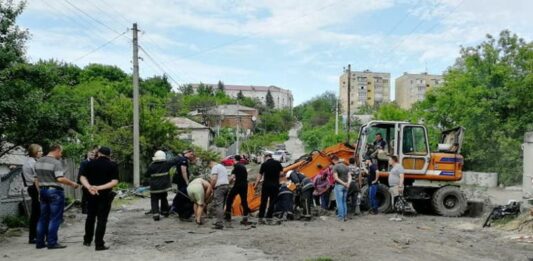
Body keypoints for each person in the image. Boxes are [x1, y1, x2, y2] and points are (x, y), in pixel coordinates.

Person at [34, 144, 80, 249]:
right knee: (55, 218)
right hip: (54, 192)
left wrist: (39, 192)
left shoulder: (39, 161)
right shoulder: (56, 162)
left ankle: (40, 243)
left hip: (43, 191)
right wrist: (73, 184)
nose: (61, 154)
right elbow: (60, 178)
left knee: (42, 218)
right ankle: (52, 242)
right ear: (57, 150)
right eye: (61, 152)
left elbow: (36, 179)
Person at [79, 147, 119, 251]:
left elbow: (82, 177)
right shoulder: (112, 165)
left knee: (90, 217)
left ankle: (87, 240)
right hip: (105, 195)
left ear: (99, 153)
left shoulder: (89, 163)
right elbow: (114, 182)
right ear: (109, 154)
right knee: (102, 219)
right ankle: (99, 244)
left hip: (91, 194)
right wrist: (99, 188)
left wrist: (90, 187)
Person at [21, 144, 43, 244]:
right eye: (40, 151)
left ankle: (34, 236)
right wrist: (39, 193)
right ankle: (33, 237)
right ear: (35, 152)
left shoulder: (28, 162)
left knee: (36, 213)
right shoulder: (33, 163)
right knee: (37, 213)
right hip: (34, 187)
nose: (42, 153)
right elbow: (36, 179)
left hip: (31, 187)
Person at [255, 153, 283, 224]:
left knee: (263, 201)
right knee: (272, 201)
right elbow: (282, 174)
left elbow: (259, 176)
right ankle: (269, 216)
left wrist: (256, 184)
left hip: (266, 185)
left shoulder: (264, 164)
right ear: (271, 157)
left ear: (266, 157)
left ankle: (261, 217)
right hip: (275, 185)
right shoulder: (278, 163)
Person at [145, 150, 172, 221]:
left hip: (154, 187)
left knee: (154, 200)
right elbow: (174, 161)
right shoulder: (166, 164)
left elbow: (146, 174)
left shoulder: (151, 166)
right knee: (164, 198)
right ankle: (165, 212)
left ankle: (156, 215)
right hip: (164, 187)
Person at [225, 155, 251, 225]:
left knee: (229, 199)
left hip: (238, 185)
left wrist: (227, 183)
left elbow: (232, 177)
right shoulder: (243, 166)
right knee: (244, 200)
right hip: (244, 185)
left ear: (234, 159)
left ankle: (228, 216)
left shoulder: (236, 166)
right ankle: (245, 217)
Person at [171, 149, 195, 220]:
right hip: (182, 181)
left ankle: (175, 208)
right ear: (187, 153)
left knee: (180, 195)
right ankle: (176, 208)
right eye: (191, 154)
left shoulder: (183, 159)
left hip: (180, 181)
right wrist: (187, 181)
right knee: (182, 196)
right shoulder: (183, 160)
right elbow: (183, 171)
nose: (192, 156)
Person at [78, 147, 99, 215]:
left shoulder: (96, 162)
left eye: (93, 154)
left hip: (94, 182)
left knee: (94, 195)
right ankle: (84, 210)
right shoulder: (84, 162)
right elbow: (80, 173)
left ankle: (93, 209)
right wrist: (80, 182)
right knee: (85, 196)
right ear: (88, 154)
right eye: (91, 153)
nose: (92, 155)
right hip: (85, 181)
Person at [210, 160, 229, 229]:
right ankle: (220, 221)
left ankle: (219, 224)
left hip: (220, 187)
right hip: (226, 186)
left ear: (211, 163)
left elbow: (214, 179)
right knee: (222, 205)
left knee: (218, 205)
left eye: (210, 166)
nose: (210, 167)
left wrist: (211, 187)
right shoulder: (223, 167)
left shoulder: (215, 167)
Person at [332, 156, 351, 222]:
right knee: (344, 202)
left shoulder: (335, 167)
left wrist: (343, 183)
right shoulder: (346, 166)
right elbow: (350, 176)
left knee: (339, 202)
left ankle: (341, 218)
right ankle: (345, 217)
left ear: (334, 160)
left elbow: (336, 178)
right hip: (346, 186)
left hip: (339, 186)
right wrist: (347, 183)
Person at [388, 155, 405, 221]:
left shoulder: (399, 166)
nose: (389, 161)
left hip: (397, 186)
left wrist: (400, 185)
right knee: (394, 202)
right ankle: (395, 216)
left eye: (389, 160)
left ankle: (400, 216)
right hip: (393, 187)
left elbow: (401, 176)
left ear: (393, 160)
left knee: (398, 201)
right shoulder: (393, 167)